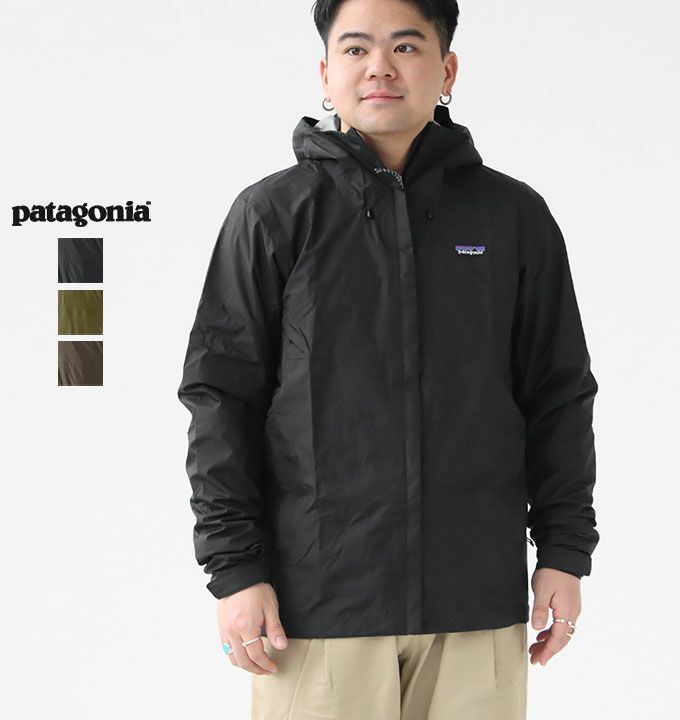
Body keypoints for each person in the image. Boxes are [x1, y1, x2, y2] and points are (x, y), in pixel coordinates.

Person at [177, 0, 600, 717]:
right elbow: (220, 399)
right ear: (325, 73)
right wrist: (234, 568)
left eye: (406, 46)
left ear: (447, 69)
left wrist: (564, 551)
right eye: (355, 49)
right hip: (316, 603)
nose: (379, 67)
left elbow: (558, 394)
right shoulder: (272, 215)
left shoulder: (512, 216)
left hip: (475, 601)